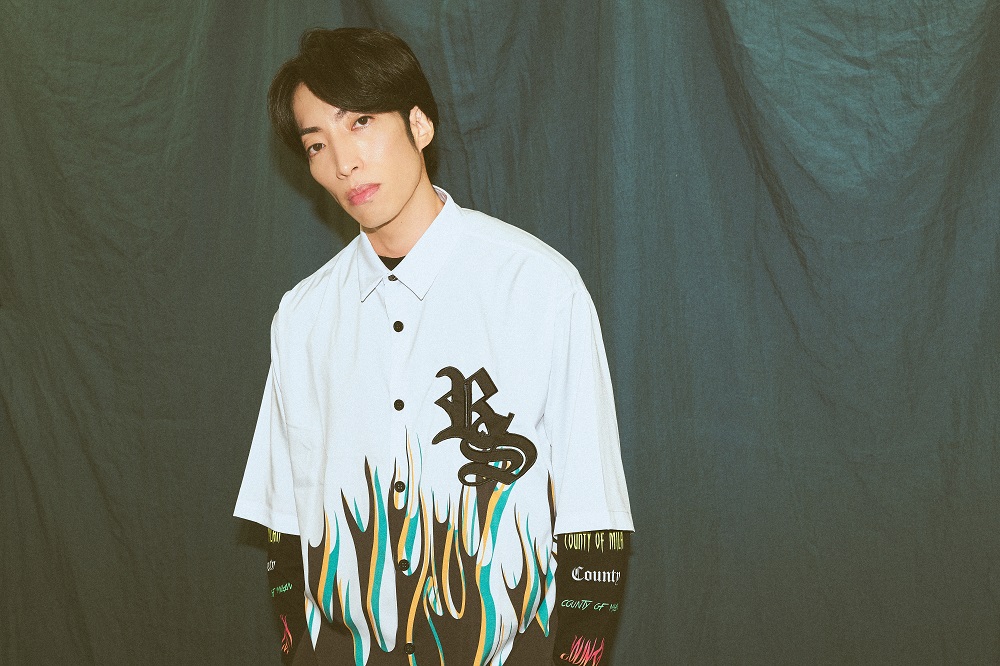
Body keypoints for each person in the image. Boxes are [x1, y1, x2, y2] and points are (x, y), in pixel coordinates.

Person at [235, 27, 633, 665]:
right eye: (317, 144)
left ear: (419, 124)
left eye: (360, 122)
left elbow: (595, 520)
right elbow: (284, 525)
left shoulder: (539, 288)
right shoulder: (302, 317)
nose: (343, 162)